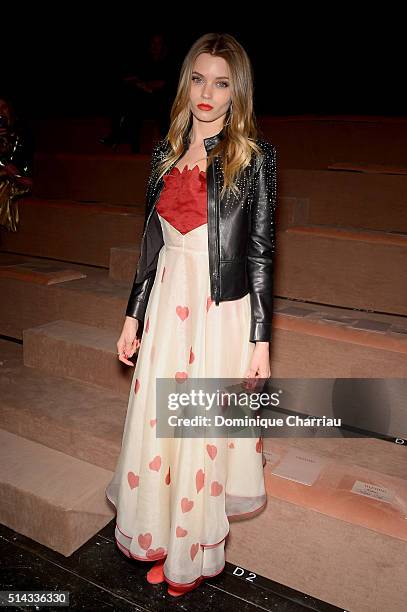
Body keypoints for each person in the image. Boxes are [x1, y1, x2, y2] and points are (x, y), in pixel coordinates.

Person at [105, 32, 278, 597]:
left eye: (222, 82)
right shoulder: (163, 152)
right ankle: (161, 535)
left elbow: (258, 252)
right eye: (199, 79)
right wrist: (133, 316)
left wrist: (259, 338)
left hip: (216, 309)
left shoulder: (254, 157)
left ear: (237, 92)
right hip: (165, 305)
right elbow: (149, 244)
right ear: (187, 83)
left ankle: (195, 554)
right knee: (161, 429)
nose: (208, 92)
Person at [100, 33, 176, 153]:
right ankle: (121, 139)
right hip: (144, 98)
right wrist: (139, 84)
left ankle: (167, 145)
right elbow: (135, 77)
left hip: (162, 100)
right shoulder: (145, 60)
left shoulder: (169, 62)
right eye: (154, 43)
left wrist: (147, 85)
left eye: (159, 43)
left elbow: (164, 83)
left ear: (163, 46)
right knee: (131, 102)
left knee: (158, 104)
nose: (156, 46)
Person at [0, 96, 33, 232]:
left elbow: (20, 166)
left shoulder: (21, 134)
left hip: (15, 180)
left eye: (3, 107)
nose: (0, 112)